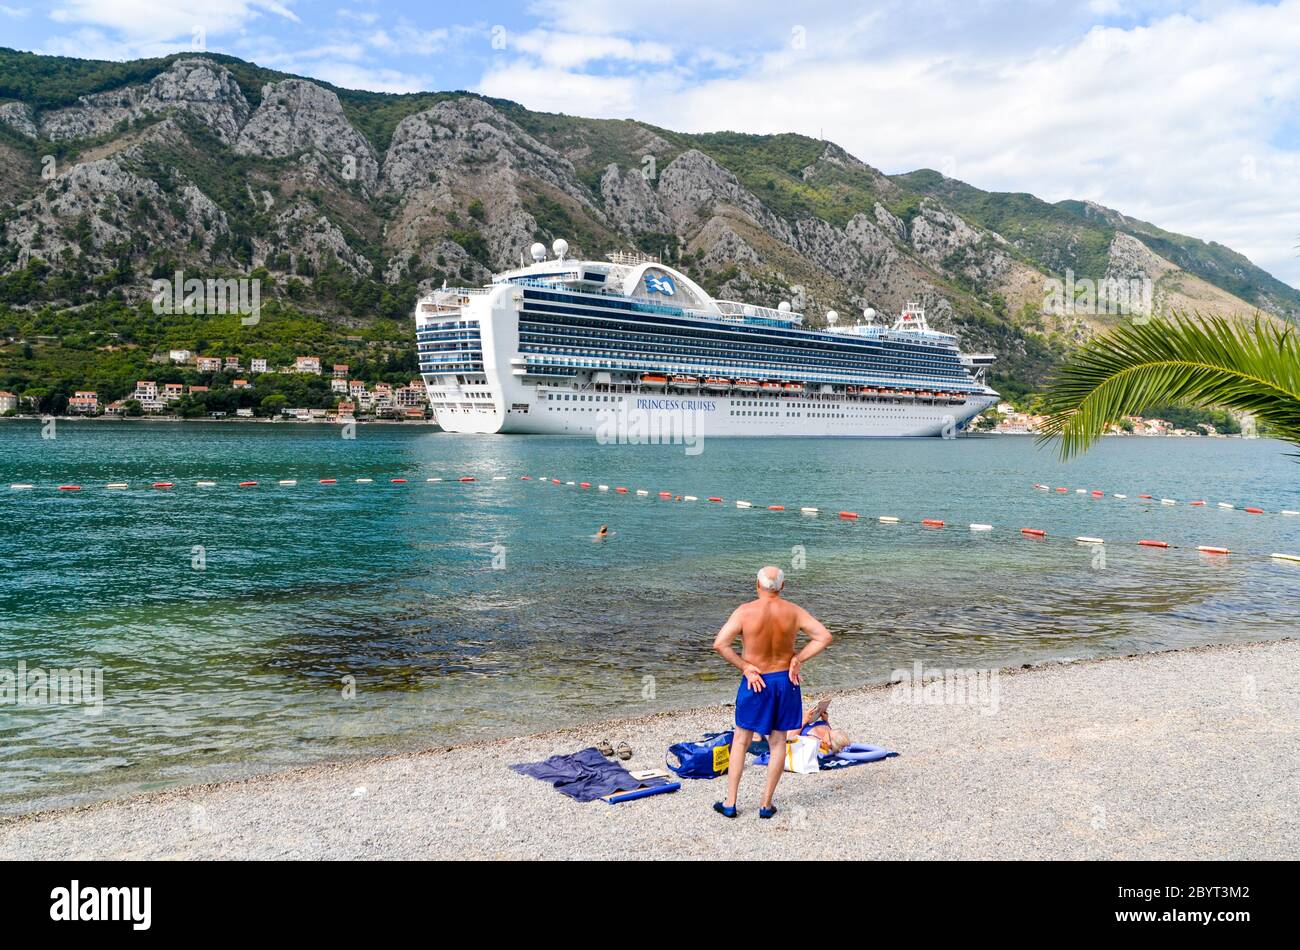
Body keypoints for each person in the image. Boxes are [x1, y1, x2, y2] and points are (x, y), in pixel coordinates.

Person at [710, 566, 832, 819]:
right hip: (785, 681)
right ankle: (766, 804)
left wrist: (745, 667)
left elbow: (720, 644)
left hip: (757, 681)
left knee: (741, 739)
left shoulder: (745, 612)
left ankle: (731, 803)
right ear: (782, 587)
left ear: (757, 584)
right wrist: (798, 658)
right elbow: (823, 636)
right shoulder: (793, 611)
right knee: (777, 742)